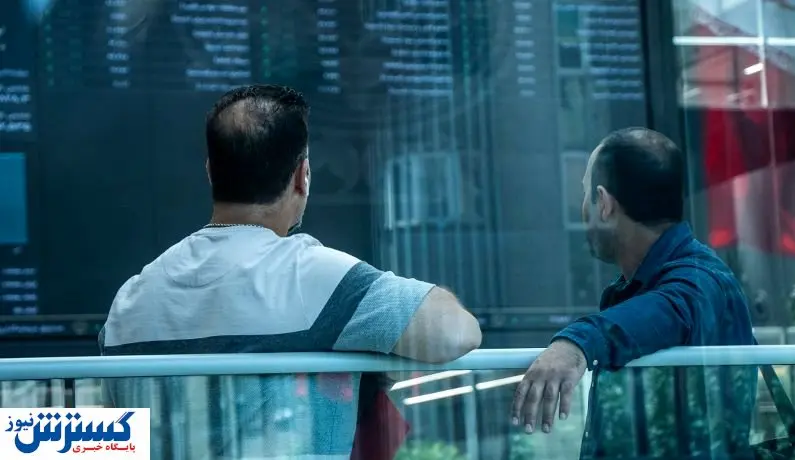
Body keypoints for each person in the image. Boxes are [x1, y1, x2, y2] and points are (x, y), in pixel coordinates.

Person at [99, 84, 482, 459]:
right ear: (302, 175)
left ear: (211, 172)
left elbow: (115, 440)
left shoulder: (131, 300)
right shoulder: (313, 277)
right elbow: (456, 334)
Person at [511, 128, 755, 458]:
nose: (582, 208)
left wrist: (575, 343)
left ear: (604, 204)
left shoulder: (701, 280)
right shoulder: (643, 286)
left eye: (585, 193)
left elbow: (669, 309)